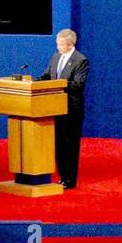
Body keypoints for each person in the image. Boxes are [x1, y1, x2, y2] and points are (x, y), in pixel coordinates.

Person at [36, 28, 88, 188]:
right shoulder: (56, 57)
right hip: (54, 107)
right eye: (57, 44)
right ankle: (62, 176)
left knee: (70, 145)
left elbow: (78, 84)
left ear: (70, 44)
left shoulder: (81, 60)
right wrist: (32, 82)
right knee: (59, 145)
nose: (58, 47)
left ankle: (70, 180)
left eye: (60, 44)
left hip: (71, 109)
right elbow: (47, 75)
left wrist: (57, 85)